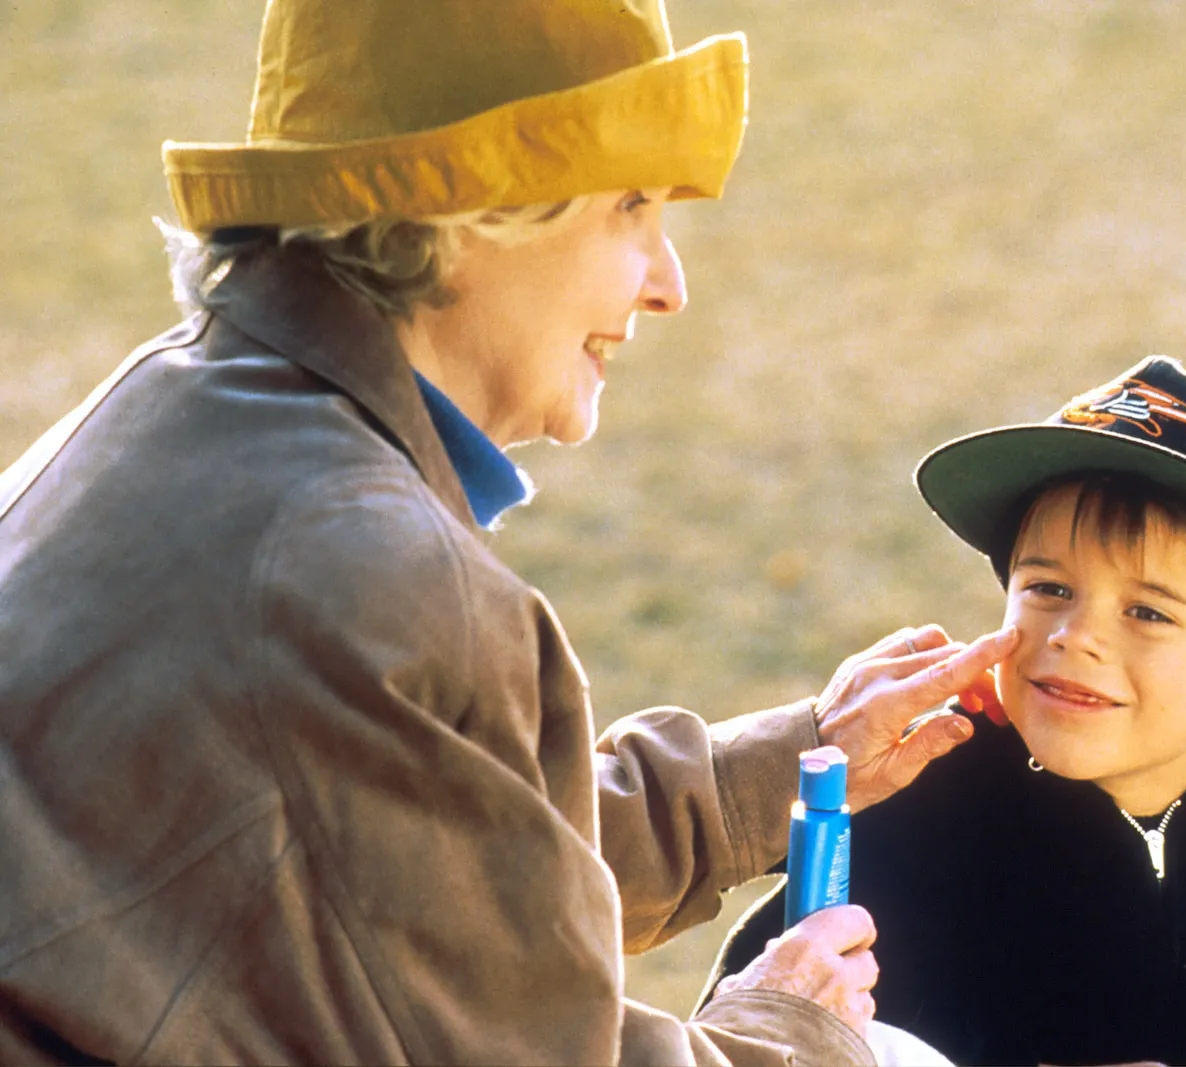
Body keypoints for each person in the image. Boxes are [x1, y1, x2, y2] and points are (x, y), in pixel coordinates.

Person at [0, 1, 1018, 1063]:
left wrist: (776, 773)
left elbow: (420, 886)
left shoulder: (174, 411)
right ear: (472, 212)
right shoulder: (370, 567)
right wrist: (791, 1029)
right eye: (630, 208)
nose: (669, 284)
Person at [707, 356, 1186, 1065]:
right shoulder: (931, 802)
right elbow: (756, 1016)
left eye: (1147, 612)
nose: (1074, 638)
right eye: (1048, 588)